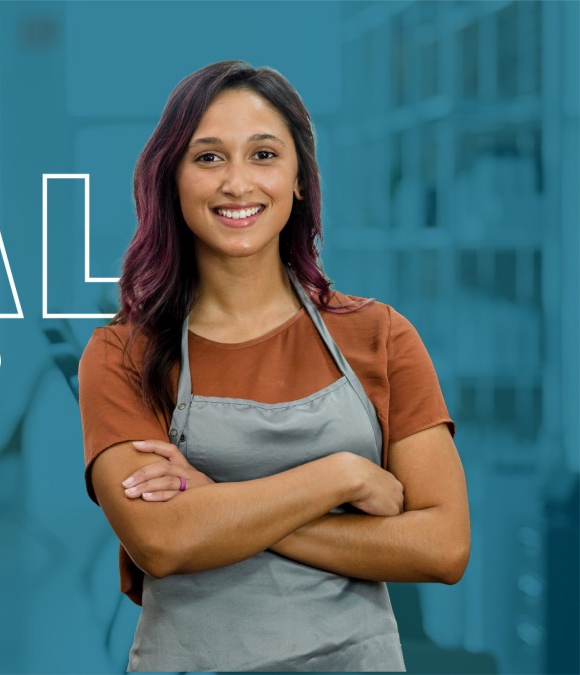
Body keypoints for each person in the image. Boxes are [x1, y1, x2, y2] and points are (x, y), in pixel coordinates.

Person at [77, 60, 470, 672]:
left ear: (299, 180)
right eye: (208, 158)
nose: (238, 183)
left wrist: (220, 503)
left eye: (263, 155)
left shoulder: (381, 337)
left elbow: (442, 547)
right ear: (171, 179)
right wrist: (339, 478)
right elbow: (162, 540)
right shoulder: (123, 355)